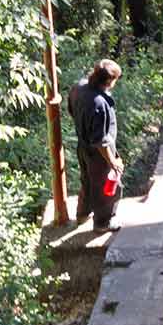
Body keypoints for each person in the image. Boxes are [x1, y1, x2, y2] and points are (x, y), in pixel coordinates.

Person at [65, 59, 124, 231]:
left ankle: (82, 214)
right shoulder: (99, 103)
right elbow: (101, 140)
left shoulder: (79, 88)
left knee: (87, 182)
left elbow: (71, 110)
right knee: (107, 187)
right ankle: (102, 222)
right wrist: (112, 161)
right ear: (109, 81)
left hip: (83, 147)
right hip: (99, 153)